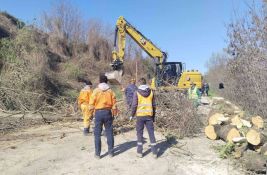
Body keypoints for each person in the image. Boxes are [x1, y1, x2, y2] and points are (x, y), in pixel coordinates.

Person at [89, 74, 117, 159]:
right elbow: (114, 104)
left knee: (97, 134)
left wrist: (90, 115)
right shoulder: (110, 91)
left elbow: (91, 104)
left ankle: (97, 154)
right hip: (108, 113)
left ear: (99, 81)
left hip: (98, 113)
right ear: (107, 81)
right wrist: (114, 114)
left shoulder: (96, 91)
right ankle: (111, 153)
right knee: (109, 132)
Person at [131, 78, 157, 158]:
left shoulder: (137, 92)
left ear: (139, 83)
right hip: (149, 115)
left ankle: (140, 152)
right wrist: (153, 117)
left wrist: (132, 115)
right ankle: (154, 153)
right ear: (145, 83)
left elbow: (134, 105)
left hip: (140, 116)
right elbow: (154, 105)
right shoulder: (151, 92)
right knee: (151, 133)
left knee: (139, 133)